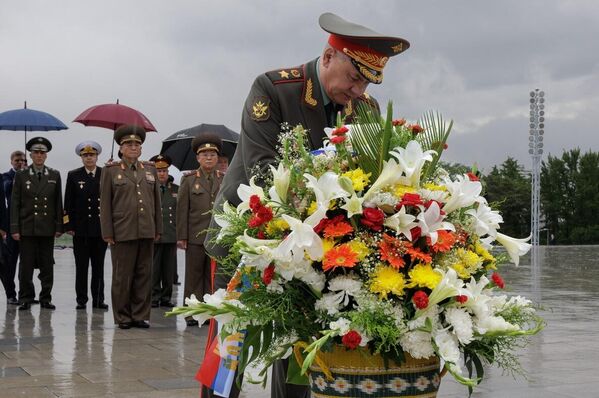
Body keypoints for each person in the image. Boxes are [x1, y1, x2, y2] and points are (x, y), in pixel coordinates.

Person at [203, 12, 410, 398]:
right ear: (329, 57)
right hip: (251, 239)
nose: (358, 90)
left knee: (300, 355)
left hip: (318, 250)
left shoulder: (365, 109)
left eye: (367, 81)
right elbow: (262, 169)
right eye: (354, 77)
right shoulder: (274, 89)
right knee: (229, 353)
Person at [100, 125, 162, 329]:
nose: (133, 147)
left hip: (146, 229)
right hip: (122, 231)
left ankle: (139, 314)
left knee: (144, 275)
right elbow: (106, 204)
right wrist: (107, 232)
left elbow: (156, 203)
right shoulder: (111, 171)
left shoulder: (150, 169)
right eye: (129, 144)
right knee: (122, 276)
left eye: (137, 144)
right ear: (121, 147)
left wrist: (157, 229)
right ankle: (123, 317)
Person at [10, 137, 63, 311]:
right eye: (36, 153)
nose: (39, 156)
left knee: (47, 266)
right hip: (27, 228)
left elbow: (57, 203)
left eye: (42, 153)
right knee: (26, 266)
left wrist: (58, 226)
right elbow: (15, 204)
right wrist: (15, 228)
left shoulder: (54, 175)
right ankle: (25, 297)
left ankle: (46, 298)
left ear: (46, 156)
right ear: (31, 155)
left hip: (47, 228)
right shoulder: (21, 175)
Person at [176, 133, 223, 327]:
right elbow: (182, 210)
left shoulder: (224, 179)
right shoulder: (188, 181)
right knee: (193, 277)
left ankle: (211, 313)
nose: (209, 157)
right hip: (195, 236)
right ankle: (193, 314)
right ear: (198, 158)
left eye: (212, 154)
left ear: (218, 157)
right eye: (205, 154)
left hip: (217, 237)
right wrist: (182, 237)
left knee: (213, 276)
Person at [64, 141, 108, 310]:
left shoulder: (105, 174)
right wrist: (69, 226)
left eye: (92, 155)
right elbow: (68, 203)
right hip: (81, 230)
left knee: (99, 267)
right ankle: (81, 300)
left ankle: (98, 299)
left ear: (97, 157)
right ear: (81, 158)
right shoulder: (74, 175)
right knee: (81, 267)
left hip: (99, 230)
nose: (89, 158)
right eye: (85, 155)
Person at [149, 154, 177, 308]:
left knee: (168, 269)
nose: (161, 174)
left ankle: (166, 297)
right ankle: (154, 296)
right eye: (158, 171)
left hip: (171, 233)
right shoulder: (149, 188)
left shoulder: (175, 189)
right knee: (154, 268)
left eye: (164, 171)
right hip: (154, 233)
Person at [1, 150, 27, 305]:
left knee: (26, 264)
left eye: (23, 160)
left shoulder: (28, 177)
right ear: (11, 161)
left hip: (27, 226)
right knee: (10, 263)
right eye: (17, 160)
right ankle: (10, 294)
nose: (20, 162)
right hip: (11, 227)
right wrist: (19, 175)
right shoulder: (6, 176)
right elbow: (7, 190)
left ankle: (25, 294)